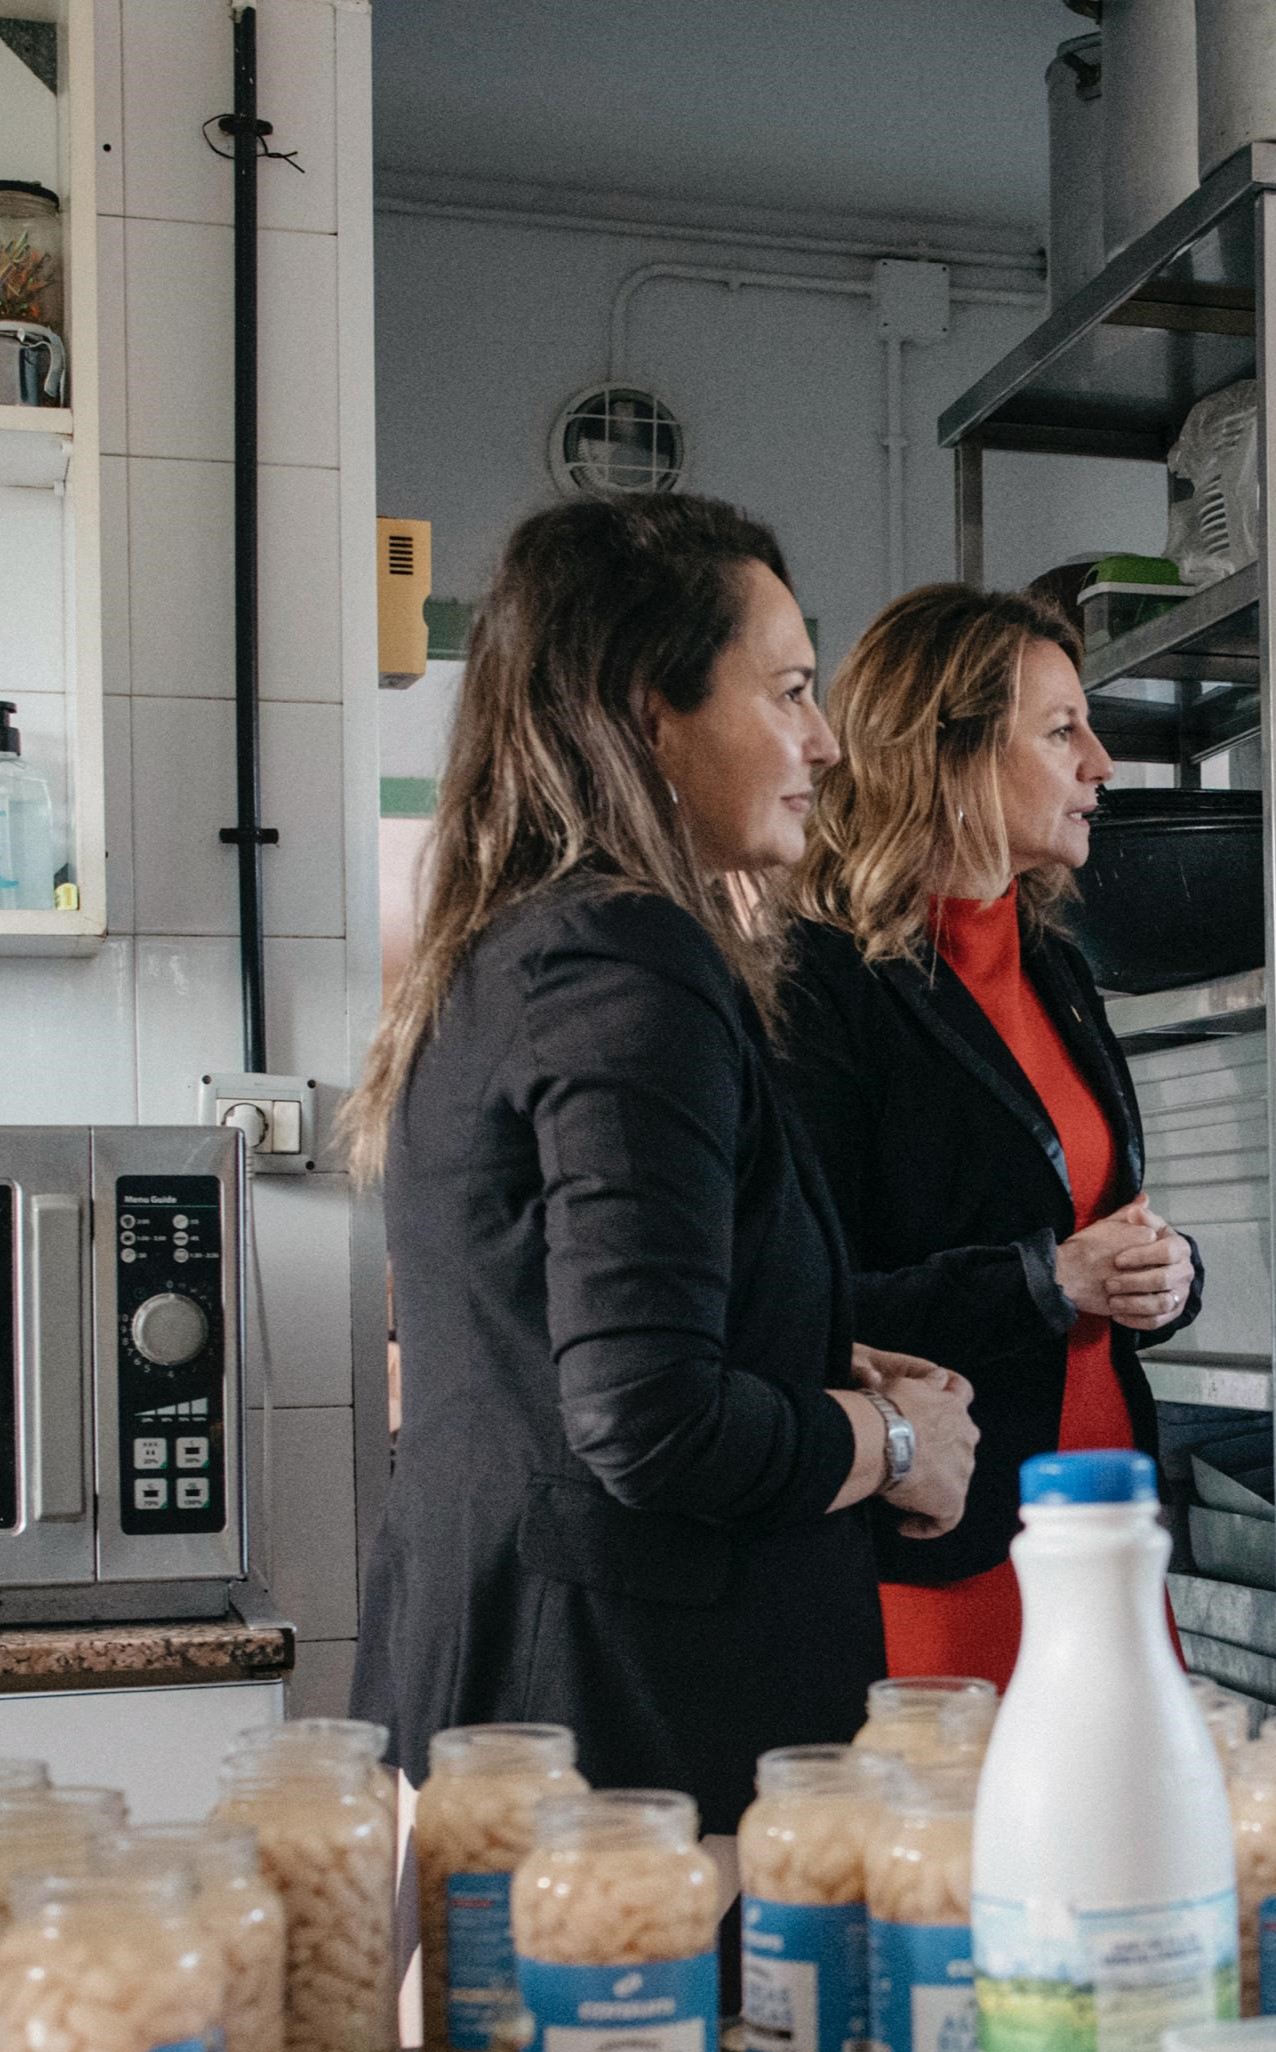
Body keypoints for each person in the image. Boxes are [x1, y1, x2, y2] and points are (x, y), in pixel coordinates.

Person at [349, 495, 978, 1835]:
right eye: (791, 691)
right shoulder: (627, 961)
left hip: (523, 1707)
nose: (821, 740)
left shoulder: (512, 948)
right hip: (623, 1738)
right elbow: (646, 1417)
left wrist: (804, 1345)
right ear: (651, 712)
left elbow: (577, 1331)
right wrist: (897, 1440)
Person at [777, 584, 1202, 1684]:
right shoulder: (823, 983)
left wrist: (1166, 1274)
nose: (1100, 762)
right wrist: (1049, 1280)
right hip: (950, 1540)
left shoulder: (1058, 967)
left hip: (1104, 1517)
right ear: (945, 753)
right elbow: (802, 1306)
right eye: (1063, 730)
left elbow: (1091, 1230)